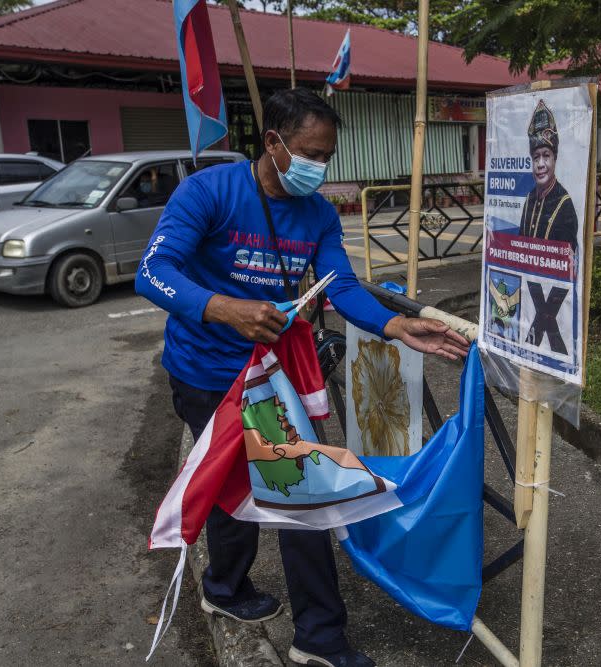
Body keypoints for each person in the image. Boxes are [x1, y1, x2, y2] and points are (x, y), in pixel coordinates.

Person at [135, 89, 468, 667]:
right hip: (205, 373)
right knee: (238, 487)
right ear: (273, 143)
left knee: (295, 490)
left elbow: (338, 286)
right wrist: (224, 307)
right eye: (311, 153)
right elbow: (152, 272)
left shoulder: (316, 213)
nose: (320, 167)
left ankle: (314, 635)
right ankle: (228, 589)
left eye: (328, 156)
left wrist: (394, 325)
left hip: (273, 378)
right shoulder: (208, 192)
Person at [518, 99, 579, 252]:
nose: (540, 164)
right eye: (536, 157)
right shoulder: (529, 198)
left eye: (546, 156)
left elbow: (568, 261)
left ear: (555, 158)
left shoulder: (564, 204)